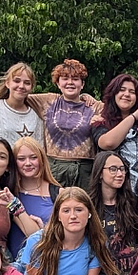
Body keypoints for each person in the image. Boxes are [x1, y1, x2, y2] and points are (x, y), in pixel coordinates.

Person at [26, 59, 102, 190]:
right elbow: (17, 95)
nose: (70, 82)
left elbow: (118, 111)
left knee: (84, 207)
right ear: (58, 83)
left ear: (82, 84)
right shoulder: (48, 101)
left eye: (76, 79)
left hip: (85, 170)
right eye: (65, 78)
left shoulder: (94, 106)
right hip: (54, 168)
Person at [88, 151, 138, 275]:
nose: (119, 174)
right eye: (113, 169)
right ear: (99, 173)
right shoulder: (88, 205)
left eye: (122, 169)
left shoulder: (132, 201)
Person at [7, 136, 61, 257]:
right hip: (14, 267)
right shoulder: (9, 193)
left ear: (41, 159)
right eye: (21, 159)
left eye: (33, 157)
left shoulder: (58, 193)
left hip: (48, 261)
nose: (28, 163)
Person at [0, 62, 45, 150]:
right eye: (16, 81)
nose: (21, 86)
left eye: (27, 83)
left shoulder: (36, 114)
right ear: (7, 83)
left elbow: (39, 149)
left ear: (31, 87)